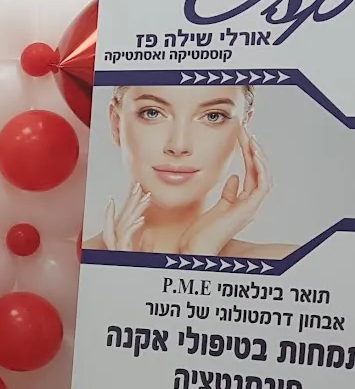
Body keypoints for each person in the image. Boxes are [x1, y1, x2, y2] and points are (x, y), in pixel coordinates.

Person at [84, 84, 296, 259]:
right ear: (117, 123)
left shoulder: (287, 263)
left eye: (213, 116)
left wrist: (199, 253)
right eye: (152, 112)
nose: (179, 145)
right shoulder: (73, 267)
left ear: (244, 126)